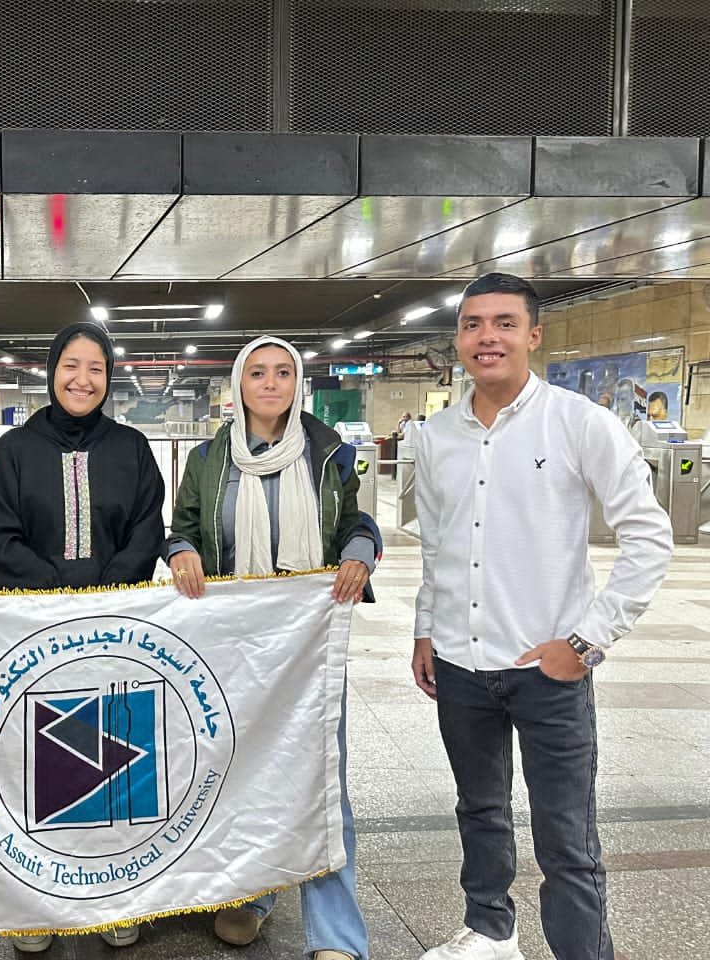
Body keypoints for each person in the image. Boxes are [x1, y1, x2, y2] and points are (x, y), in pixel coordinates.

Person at [411, 273, 673, 960]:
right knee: (479, 809)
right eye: (472, 324)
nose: (487, 337)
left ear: (533, 334)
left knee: (566, 837)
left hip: (547, 672)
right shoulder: (436, 435)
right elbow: (438, 543)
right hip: (461, 664)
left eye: (504, 323)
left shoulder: (579, 423)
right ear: (458, 339)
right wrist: (425, 629)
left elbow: (649, 537)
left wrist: (587, 641)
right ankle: (491, 931)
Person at [165, 335, 378, 960]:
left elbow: (356, 523)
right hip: (235, 640)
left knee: (321, 777)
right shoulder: (209, 458)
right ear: (238, 384)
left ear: (298, 382)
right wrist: (181, 552)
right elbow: (183, 527)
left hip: (306, 640)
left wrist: (360, 552)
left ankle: (336, 934)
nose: (270, 383)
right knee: (242, 770)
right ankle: (252, 894)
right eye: (257, 372)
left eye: (283, 372)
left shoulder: (329, 454)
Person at [0, 320, 165, 949]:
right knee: (36, 767)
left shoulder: (131, 448)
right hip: (35, 634)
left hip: (116, 636)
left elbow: (146, 529)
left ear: (109, 378)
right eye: (71, 366)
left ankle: (115, 896)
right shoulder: (15, 450)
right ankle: (34, 903)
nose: (83, 379)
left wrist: (105, 594)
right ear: (51, 371)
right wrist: (57, 594)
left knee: (117, 768)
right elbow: (0, 539)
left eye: (96, 368)